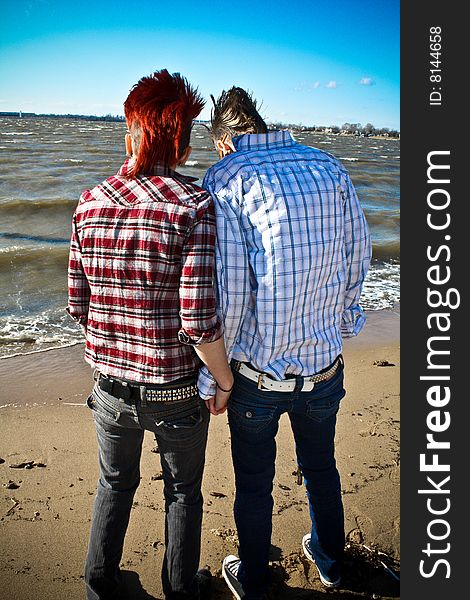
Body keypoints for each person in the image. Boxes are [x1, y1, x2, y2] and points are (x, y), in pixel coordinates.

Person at [198, 88, 372, 599]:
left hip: (257, 377)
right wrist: (340, 324)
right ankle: (331, 561)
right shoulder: (328, 167)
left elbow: (228, 292)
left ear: (225, 140)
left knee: (254, 484)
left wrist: (215, 376)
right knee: (322, 467)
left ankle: (253, 579)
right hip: (324, 366)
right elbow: (356, 256)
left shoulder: (227, 177)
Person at [67, 69, 234, 600]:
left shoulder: (90, 201)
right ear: (181, 143)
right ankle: (181, 588)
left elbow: (77, 305)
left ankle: (100, 583)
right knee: (183, 490)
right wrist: (224, 379)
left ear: (135, 133)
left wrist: (119, 332)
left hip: (111, 389)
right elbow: (198, 319)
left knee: (115, 482)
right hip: (176, 391)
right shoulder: (194, 205)